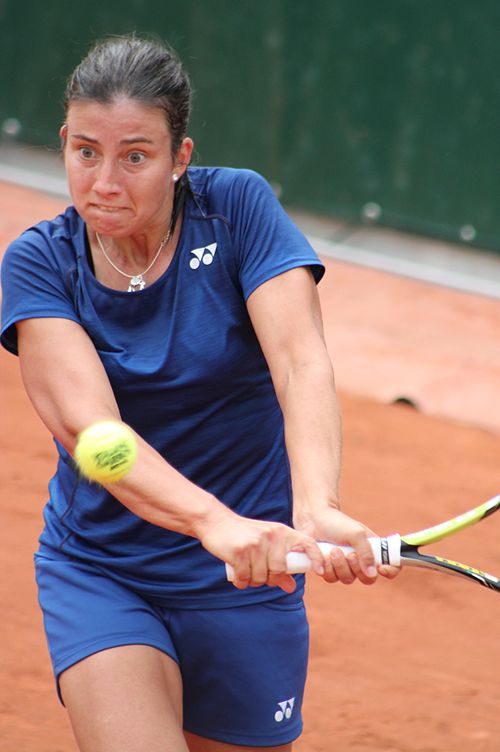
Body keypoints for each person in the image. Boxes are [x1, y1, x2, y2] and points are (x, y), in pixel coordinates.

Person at [0, 34, 397, 752]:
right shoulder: (37, 264)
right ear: (62, 142)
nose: (105, 183)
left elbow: (300, 360)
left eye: (136, 156)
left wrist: (317, 506)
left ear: (181, 157)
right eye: (85, 151)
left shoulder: (238, 206)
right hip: (105, 571)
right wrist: (215, 522)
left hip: (248, 584)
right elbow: (93, 433)